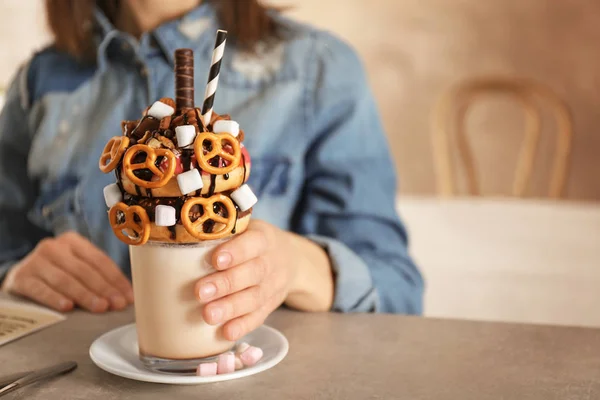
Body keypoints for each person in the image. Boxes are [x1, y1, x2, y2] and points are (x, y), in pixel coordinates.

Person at [0, 0, 423, 341]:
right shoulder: (37, 84)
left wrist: (296, 265)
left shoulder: (319, 70)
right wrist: (16, 273)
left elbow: (397, 290)